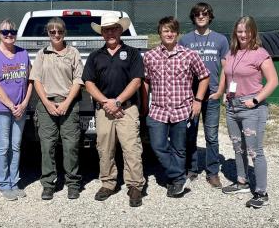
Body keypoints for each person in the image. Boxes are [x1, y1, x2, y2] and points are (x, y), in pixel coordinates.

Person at [82, 12, 145, 207]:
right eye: (106, 29)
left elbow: (136, 81)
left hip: (127, 108)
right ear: (102, 33)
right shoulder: (94, 56)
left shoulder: (133, 53)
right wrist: (106, 103)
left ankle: (135, 186)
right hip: (103, 110)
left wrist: (117, 102)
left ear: (120, 30)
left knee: (132, 149)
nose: (110, 32)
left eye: (114, 28)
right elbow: (89, 83)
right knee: (105, 148)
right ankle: (108, 183)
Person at [215, 16, 278, 208]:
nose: (243, 35)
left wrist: (256, 99)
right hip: (233, 107)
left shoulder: (260, 53)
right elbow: (226, 75)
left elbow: (274, 81)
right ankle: (242, 182)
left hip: (252, 108)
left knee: (254, 151)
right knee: (238, 147)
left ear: (253, 32)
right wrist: (225, 93)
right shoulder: (232, 53)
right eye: (239, 31)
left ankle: (261, 192)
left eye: (246, 31)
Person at [143, 16, 210, 198]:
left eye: (172, 30)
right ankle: (178, 175)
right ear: (160, 33)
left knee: (179, 149)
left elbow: (204, 76)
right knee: (158, 146)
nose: (169, 34)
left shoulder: (189, 55)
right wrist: (143, 104)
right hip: (157, 110)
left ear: (177, 33)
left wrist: (198, 100)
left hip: (182, 110)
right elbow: (146, 82)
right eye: (166, 30)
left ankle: (176, 182)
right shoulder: (150, 56)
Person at [29, 17, 84, 200]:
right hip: (47, 104)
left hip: (68, 103)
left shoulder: (73, 52)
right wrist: (47, 103)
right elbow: (36, 80)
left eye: (59, 31)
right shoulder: (42, 54)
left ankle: (73, 183)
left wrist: (67, 102)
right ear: (48, 33)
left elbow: (78, 80)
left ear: (64, 32)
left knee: (71, 146)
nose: (56, 34)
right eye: (52, 31)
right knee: (47, 145)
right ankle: (48, 183)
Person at [178, 2, 229, 188]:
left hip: (212, 95)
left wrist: (221, 90)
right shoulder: (185, 40)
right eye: (198, 14)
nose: (201, 17)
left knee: (212, 135)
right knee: (190, 133)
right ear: (193, 17)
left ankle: (213, 172)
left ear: (210, 17)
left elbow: (225, 67)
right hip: (191, 96)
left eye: (205, 14)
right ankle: (191, 168)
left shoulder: (221, 40)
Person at [0, 19, 33, 201]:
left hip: (20, 108)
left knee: (16, 146)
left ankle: (15, 181)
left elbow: (30, 80)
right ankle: (4, 184)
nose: (9, 35)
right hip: (1, 109)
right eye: (5, 32)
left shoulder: (23, 53)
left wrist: (24, 104)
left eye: (12, 31)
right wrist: (11, 106)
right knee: (3, 146)